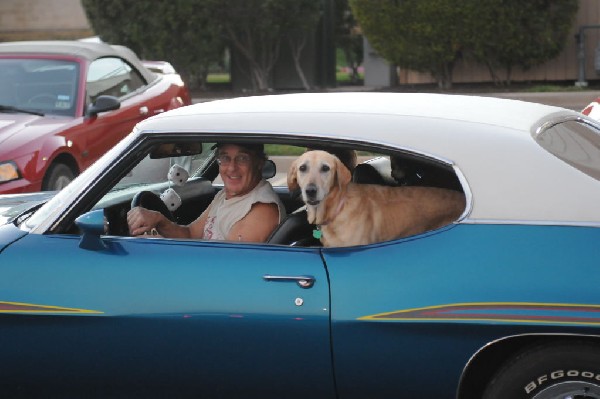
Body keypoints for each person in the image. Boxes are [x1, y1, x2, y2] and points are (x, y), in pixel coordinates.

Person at [127, 143, 285, 243]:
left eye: (242, 159)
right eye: (225, 158)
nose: (231, 168)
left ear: (259, 163)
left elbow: (226, 264)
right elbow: (190, 234)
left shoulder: (262, 209)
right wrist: (160, 220)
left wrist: (162, 246)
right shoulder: (225, 194)